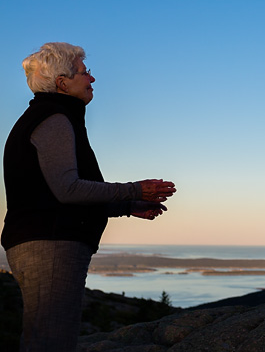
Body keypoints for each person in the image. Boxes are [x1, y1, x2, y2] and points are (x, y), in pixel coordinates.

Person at [2, 42, 177, 352]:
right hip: (52, 244)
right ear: (62, 83)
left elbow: (51, 195)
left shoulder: (47, 117)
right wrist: (134, 189)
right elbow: (68, 190)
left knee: (41, 340)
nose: (92, 79)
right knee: (51, 343)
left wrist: (126, 206)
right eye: (85, 72)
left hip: (43, 241)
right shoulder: (54, 118)